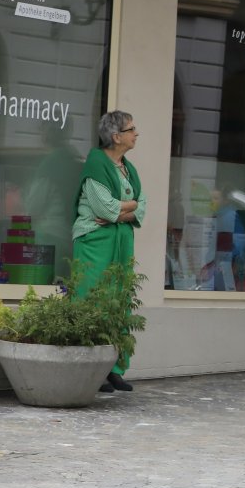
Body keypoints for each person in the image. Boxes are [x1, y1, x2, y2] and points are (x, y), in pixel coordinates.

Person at [72, 110, 144, 394]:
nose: (136, 133)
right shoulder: (97, 164)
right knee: (93, 299)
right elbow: (104, 209)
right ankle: (91, 369)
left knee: (119, 298)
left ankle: (115, 368)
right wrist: (128, 207)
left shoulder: (128, 168)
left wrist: (127, 209)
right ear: (116, 136)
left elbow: (142, 207)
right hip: (95, 240)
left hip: (121, 239)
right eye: (131, 129)